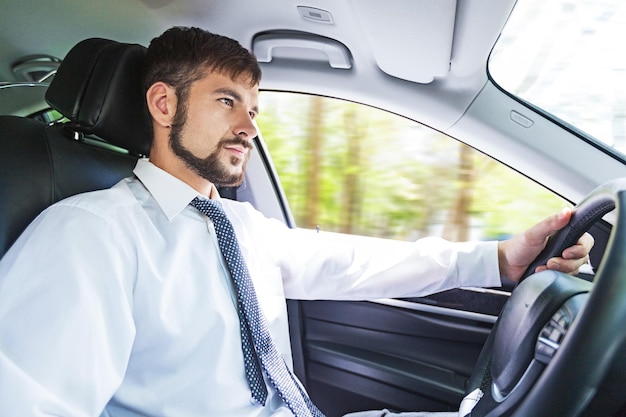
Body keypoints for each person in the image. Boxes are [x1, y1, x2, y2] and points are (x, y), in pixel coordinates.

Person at [0, 26, 593, 417]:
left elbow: (356, 264)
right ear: (163, 104)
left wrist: (498, 259)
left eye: (253, 110)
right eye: (226, 101)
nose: (249, 128)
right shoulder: (90, 235)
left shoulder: (240, 229)